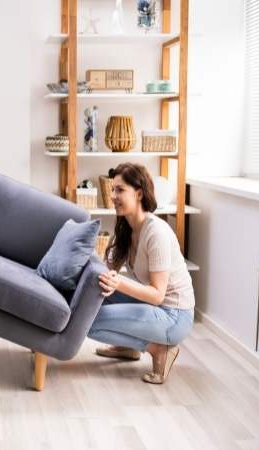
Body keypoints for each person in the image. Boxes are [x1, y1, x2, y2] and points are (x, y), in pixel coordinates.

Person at [88, 163, 195, 384]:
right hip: (156, 307)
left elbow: (157, 294)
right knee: (92, 298)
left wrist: (117, 283)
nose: (113, 196)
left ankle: (158, 349)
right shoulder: (125, 229)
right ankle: (127, 347)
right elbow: (106, 272)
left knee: (87, 322)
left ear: (138, 193)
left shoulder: (156, 232)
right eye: (113, 190)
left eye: (120, 190)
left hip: (174, 316)